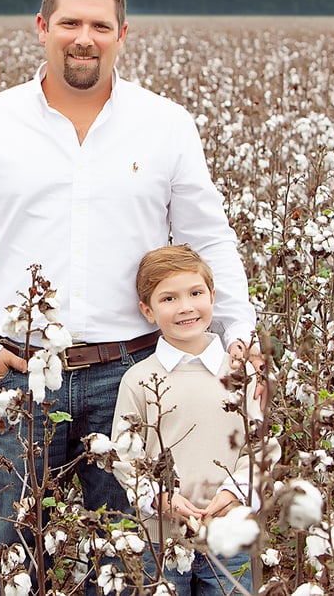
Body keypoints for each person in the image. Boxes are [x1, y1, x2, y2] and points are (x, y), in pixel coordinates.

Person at [0, 0, 260, 594]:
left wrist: (237, 330)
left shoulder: (165, 124)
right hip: (19, 373)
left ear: (122, 34)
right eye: (70, 23)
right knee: (18, 550)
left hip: (132, 375)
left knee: (129, 555)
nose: (84, 38)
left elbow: (208, 237)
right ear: (42, 27)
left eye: (99, 26)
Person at [114, 245, 268, 594]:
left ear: (213, 297)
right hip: (160, 541)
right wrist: (159, 498)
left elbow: (261, 448)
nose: (185, 307)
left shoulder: (241, 374)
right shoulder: (138, 380)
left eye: (195, 293)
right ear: (147, 310)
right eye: (168, 299)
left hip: (230, 536)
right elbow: (125, 459)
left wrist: (234, 492)